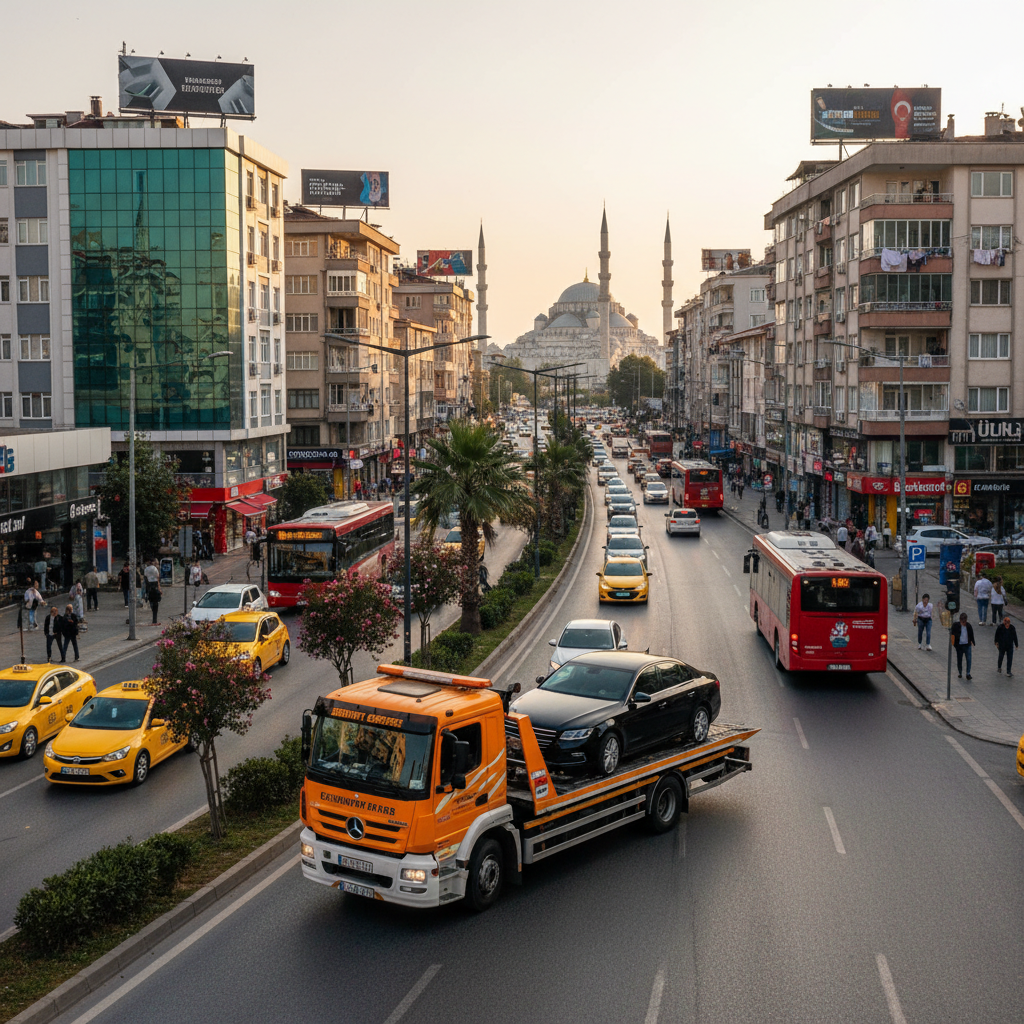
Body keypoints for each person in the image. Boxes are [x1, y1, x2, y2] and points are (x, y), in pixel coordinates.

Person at [951, 612, 975, 680]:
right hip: (959, 646)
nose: (963, 623)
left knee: (969, 659)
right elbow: (952, 635)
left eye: (964, 621)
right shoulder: (956, 625)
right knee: (959, 659)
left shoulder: (969, 626)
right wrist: (954, 644)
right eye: (962, 621)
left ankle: (968, 673)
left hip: (967, 645)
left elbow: (971, 634)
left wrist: (972, 642)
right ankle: (960, 672)